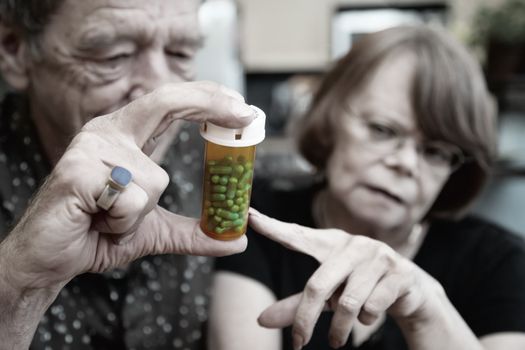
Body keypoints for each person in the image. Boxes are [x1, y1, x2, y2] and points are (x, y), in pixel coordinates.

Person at [209, 26, 525, 349]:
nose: (406, 163)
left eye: (434, 152)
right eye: (383, 130)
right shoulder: (256, 220)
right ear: (330, 118)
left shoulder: (500, 262)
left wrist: (425, 310)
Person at [0, 1, 257, 349]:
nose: (159, 88)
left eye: (180, 53)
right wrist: (17, 285)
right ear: (13, 49)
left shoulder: (218, 162)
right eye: (113, 56)